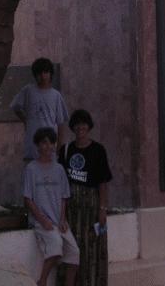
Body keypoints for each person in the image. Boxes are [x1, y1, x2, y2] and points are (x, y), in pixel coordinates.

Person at [58, 109, 112, 286]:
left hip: (91, 209)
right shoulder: (66, 150)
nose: (81, 127)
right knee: (72, 251)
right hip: (71, 212)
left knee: (92, 250)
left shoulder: (98, 150)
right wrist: (61, 213)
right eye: (77, 124)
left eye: (84, 123)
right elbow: (60, 183)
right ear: (73, 127)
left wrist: (102, 209)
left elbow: (103, 182)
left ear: (89, 126)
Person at [24, 127, 79, 286]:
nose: (48, 147)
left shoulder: (59, 169)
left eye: (51, 143)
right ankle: (42, 281)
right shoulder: (31, 169)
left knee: (75, 253)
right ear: (38, 146)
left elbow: (64, 196)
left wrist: (62, 219)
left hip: (59, 221)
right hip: (42, 221)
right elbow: (28, 199)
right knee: (55, 247)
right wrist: (43, 220)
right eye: (44, 143)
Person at [10, 57, 69, 162]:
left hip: (50, 146)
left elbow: (60, 123)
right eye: (39, 73)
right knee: (31, 175)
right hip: (32, 146)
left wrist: (60, 145)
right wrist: (25, 120)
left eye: (46, 72)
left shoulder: (56, 95)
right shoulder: (28, 90)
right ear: (35, 75)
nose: (43, 76)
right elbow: (15, 106)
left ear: (50, 74)